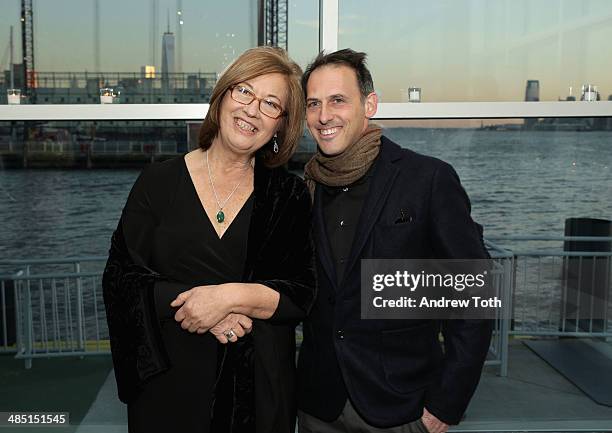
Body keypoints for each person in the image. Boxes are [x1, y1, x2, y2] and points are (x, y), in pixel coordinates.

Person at [102, 46, 316, 433]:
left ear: (281, 126)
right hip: (167, 389)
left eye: (271, 104)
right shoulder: (158, 182)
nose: (252, 109)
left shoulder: (290, 195)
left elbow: (302, 294)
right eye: (244, 91)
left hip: (258, 398)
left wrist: (228, 298)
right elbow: (120, 280)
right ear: (222, 96)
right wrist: (200, 304)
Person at [297, 49, 492, 433]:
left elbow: (473, 295)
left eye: (338, 100)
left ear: (369, 104)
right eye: (314, 104)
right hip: (318, 405)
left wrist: (444, 406)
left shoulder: (427, 179)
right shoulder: (305, 186)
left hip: (401, 408)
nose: (324, 116)